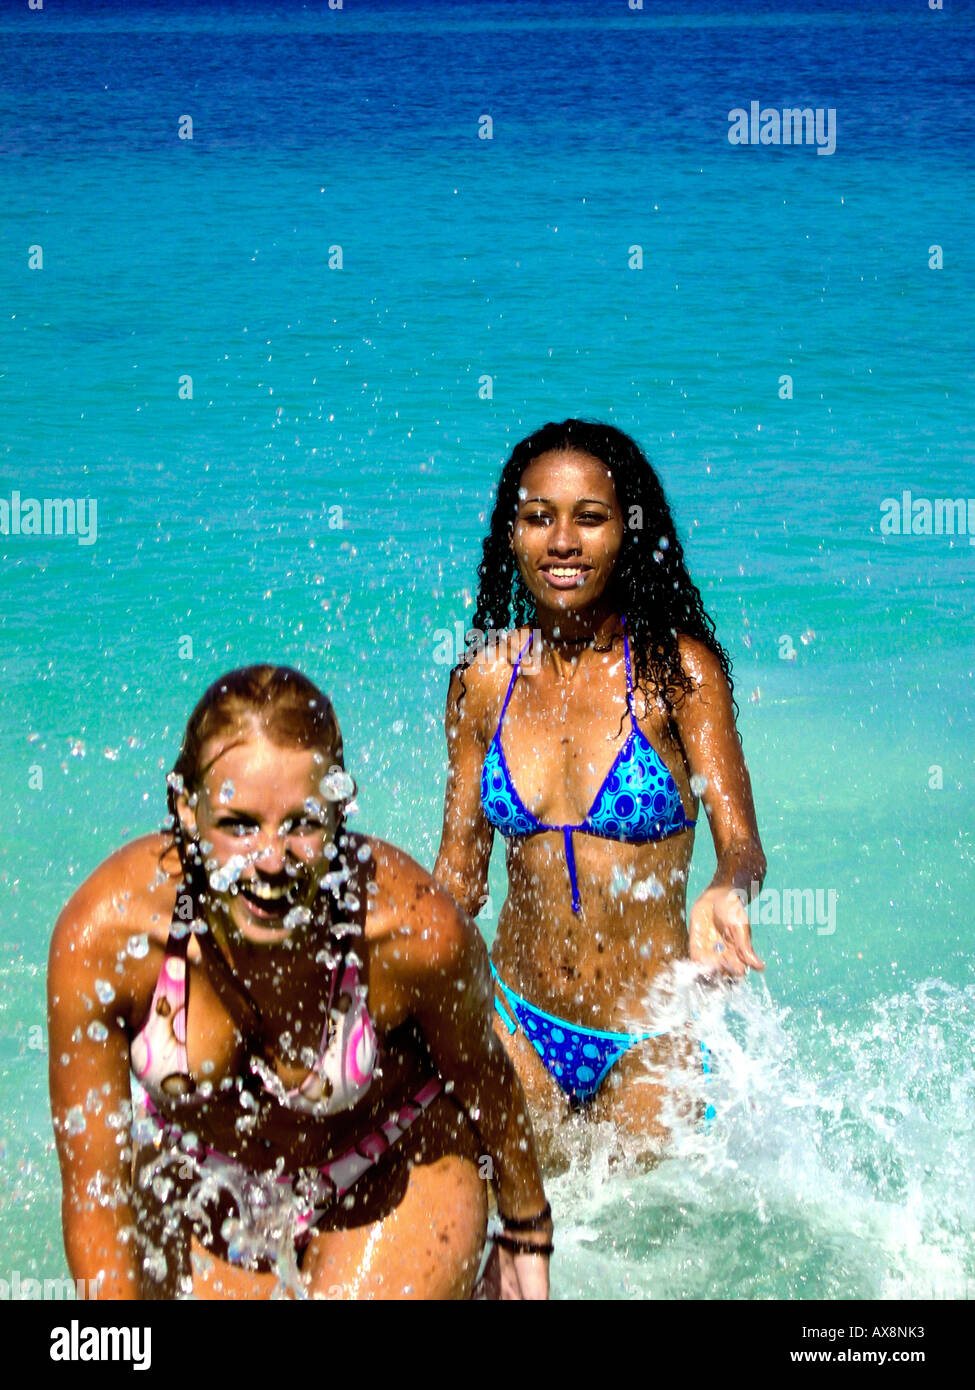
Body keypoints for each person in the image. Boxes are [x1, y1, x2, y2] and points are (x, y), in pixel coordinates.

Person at [49, 665, 551, 1300]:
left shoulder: (410, 928)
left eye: (303, 824)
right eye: (238, 824)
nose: (270, 861)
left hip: (391, 1161)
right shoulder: (104, 939)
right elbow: (96, 1194)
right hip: (211, 1180)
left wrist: (528, 1232)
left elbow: (485, 1079)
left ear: (340, 809)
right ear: (186, 807)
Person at [434, 420, 766, 1155]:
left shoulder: (675, 675)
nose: (561, 542)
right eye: (537, 518)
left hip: (647, 1037)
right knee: (516, 1245)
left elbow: (742, 847)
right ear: (509, 535)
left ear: (626, 531)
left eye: (589, 518)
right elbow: (458, 875)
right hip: (515, 1018)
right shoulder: (482, 679)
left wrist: (724, 890)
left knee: (646, 1257)